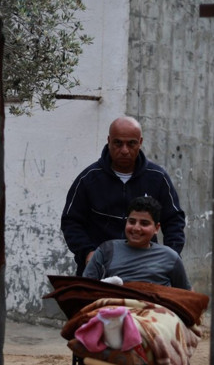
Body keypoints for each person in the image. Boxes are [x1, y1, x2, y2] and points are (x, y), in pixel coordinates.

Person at [82, 196, 191, 365]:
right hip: (115, 314)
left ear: (156, 228)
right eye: (132, 221)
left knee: (159, 333)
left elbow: (184, 297)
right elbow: (87, 288)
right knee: (102, 321)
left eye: (144, 223)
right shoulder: (107, 250)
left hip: (153, 315)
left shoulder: (170, 258)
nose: (136, 228)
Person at [61, 115, 186, 277]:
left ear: (140, 142)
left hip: (145, 270)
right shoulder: (89, 179)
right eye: (118, 143)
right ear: (109, 141)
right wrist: (87, 252)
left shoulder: (157, 178)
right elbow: (71, 221)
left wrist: (169, 256)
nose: (125, 150)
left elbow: (174, 220)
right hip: (99, 269)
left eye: (131, 143)